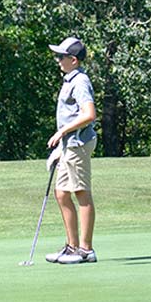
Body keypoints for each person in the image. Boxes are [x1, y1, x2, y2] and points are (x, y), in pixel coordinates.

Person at [44, 37, 98, 265]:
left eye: (61, 57)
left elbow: (89, 114)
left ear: (73, 60)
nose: (58, 61)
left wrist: (62, 132)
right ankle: (72, 246)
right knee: (61, 193)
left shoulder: (80, 82)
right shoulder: (69, 80)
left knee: (81, 192)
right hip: (68, 146)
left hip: (78, 144)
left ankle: (86, 250)